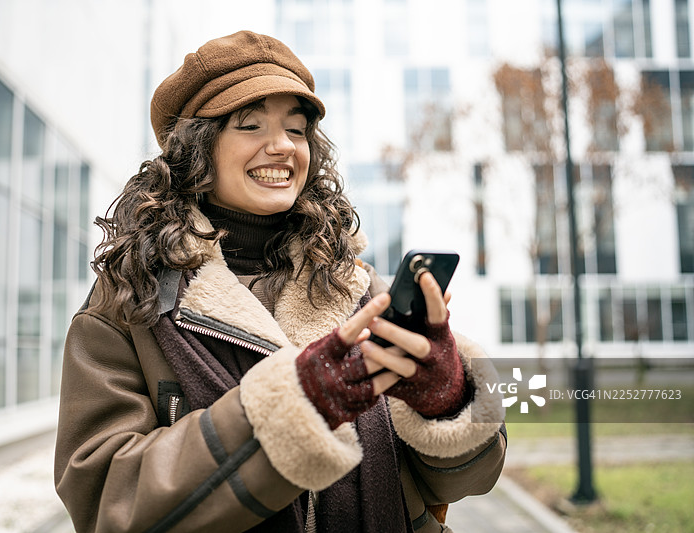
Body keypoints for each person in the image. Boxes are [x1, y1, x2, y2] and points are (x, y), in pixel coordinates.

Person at [54, 30, 506, 533]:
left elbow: (463, 483)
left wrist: (447, 399)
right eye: (250, 126)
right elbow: (102, 500)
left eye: (296, 130)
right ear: (196, 150)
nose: (281, 147)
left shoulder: (359, 288)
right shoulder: (126, 303)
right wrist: (288, 410)